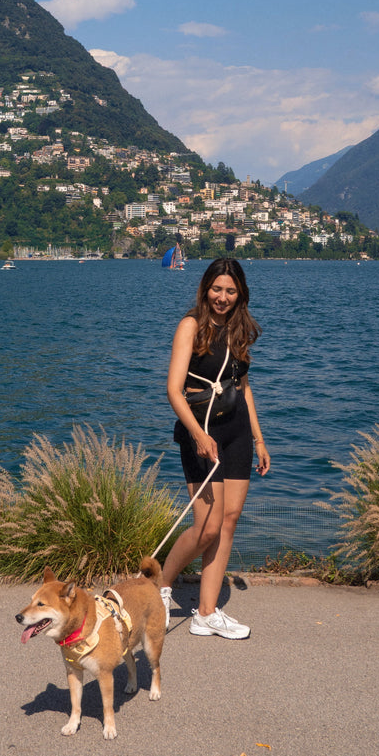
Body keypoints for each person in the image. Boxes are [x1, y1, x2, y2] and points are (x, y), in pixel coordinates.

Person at [160, 258, 269, 638]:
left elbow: (243, 386)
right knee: (206, 526)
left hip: (237, 431)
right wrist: (199, 436)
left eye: (231, 291)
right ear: (206, 288)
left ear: (241, 294)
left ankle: (206, 613)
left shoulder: (240, 329)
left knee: (230, 519)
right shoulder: (191, 326)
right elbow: (174, 390)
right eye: (217, 289)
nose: (222, 297)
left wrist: (258, 438)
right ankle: (159, 584)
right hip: (200, 428)